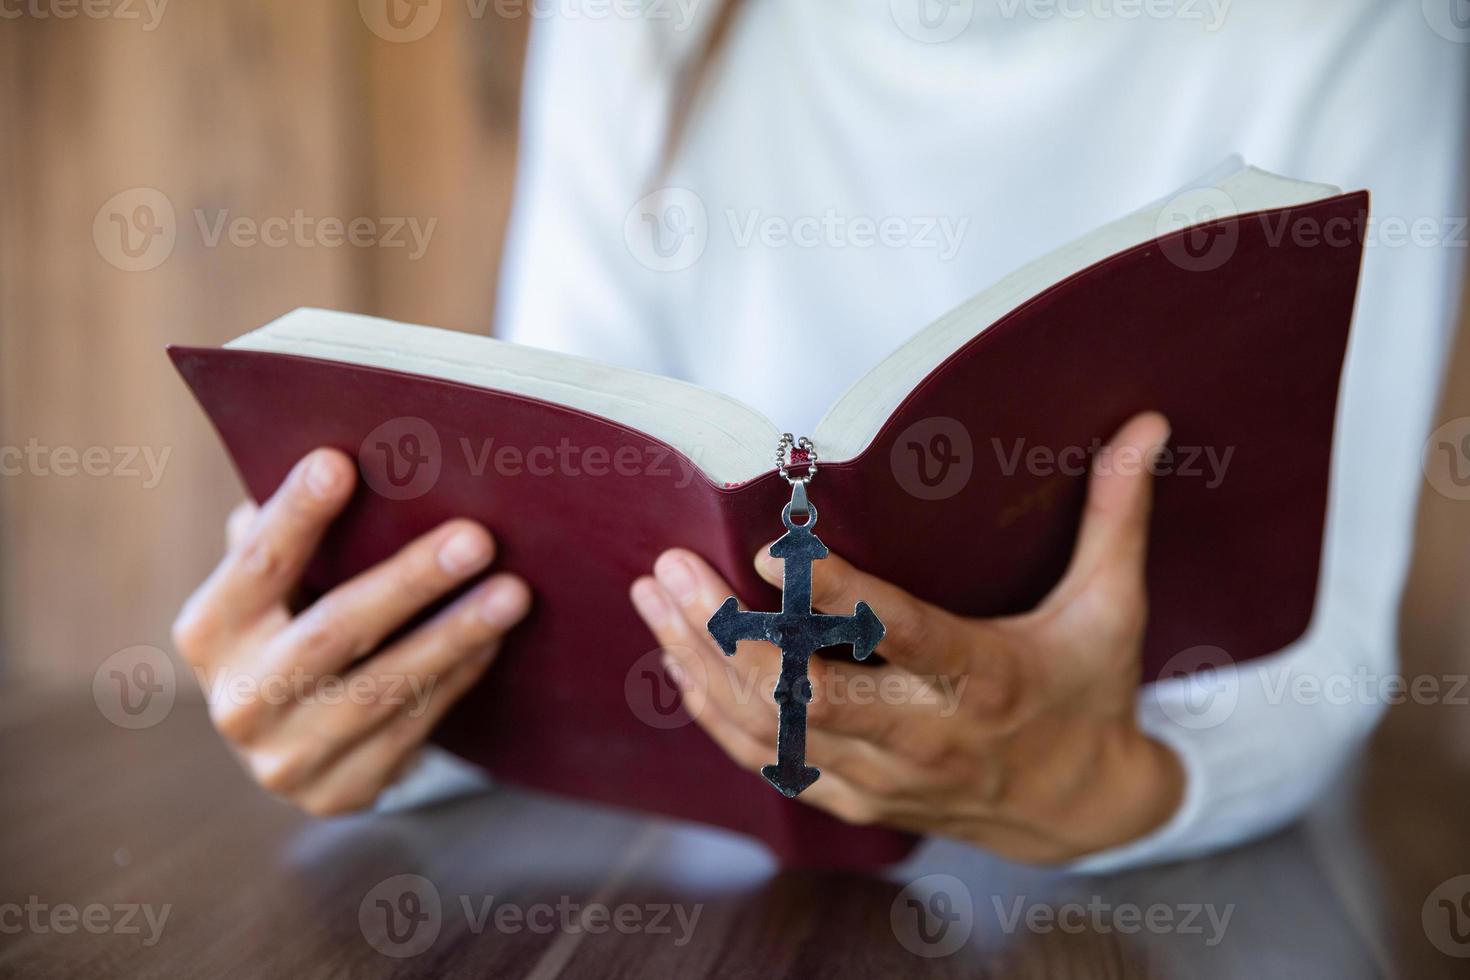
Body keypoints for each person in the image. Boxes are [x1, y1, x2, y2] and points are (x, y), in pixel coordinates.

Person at [172, 1, 1469, 868]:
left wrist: (1095, 787)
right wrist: (356, 689)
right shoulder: (644, 18)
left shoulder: (1354, 29)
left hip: (1114, 894)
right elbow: (568, 527)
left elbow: (1310, 667)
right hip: (729, 882)